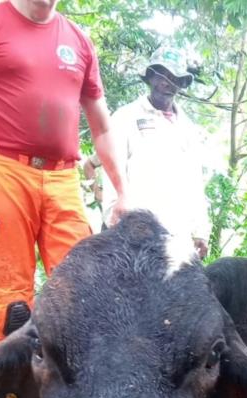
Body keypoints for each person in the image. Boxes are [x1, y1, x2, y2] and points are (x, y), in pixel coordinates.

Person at [0, 0, 128, 341]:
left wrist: (124, 193)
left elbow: (103, 129)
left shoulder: (78, 41)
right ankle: (14, 394)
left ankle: (71, 389)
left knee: (82, 286)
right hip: (1, 171)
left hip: (63, 177)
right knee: (12, 294)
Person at [84, 46, 210, 258]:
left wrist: (201, 230)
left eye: (174, 78)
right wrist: (115, 219)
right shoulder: (126, 117)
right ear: (150, 77)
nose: (166, 83)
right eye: (161, 76)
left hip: (176, 239)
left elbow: (195, 182)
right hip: (132, 235)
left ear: (180, 84)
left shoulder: (188, 128)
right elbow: (112, 169)